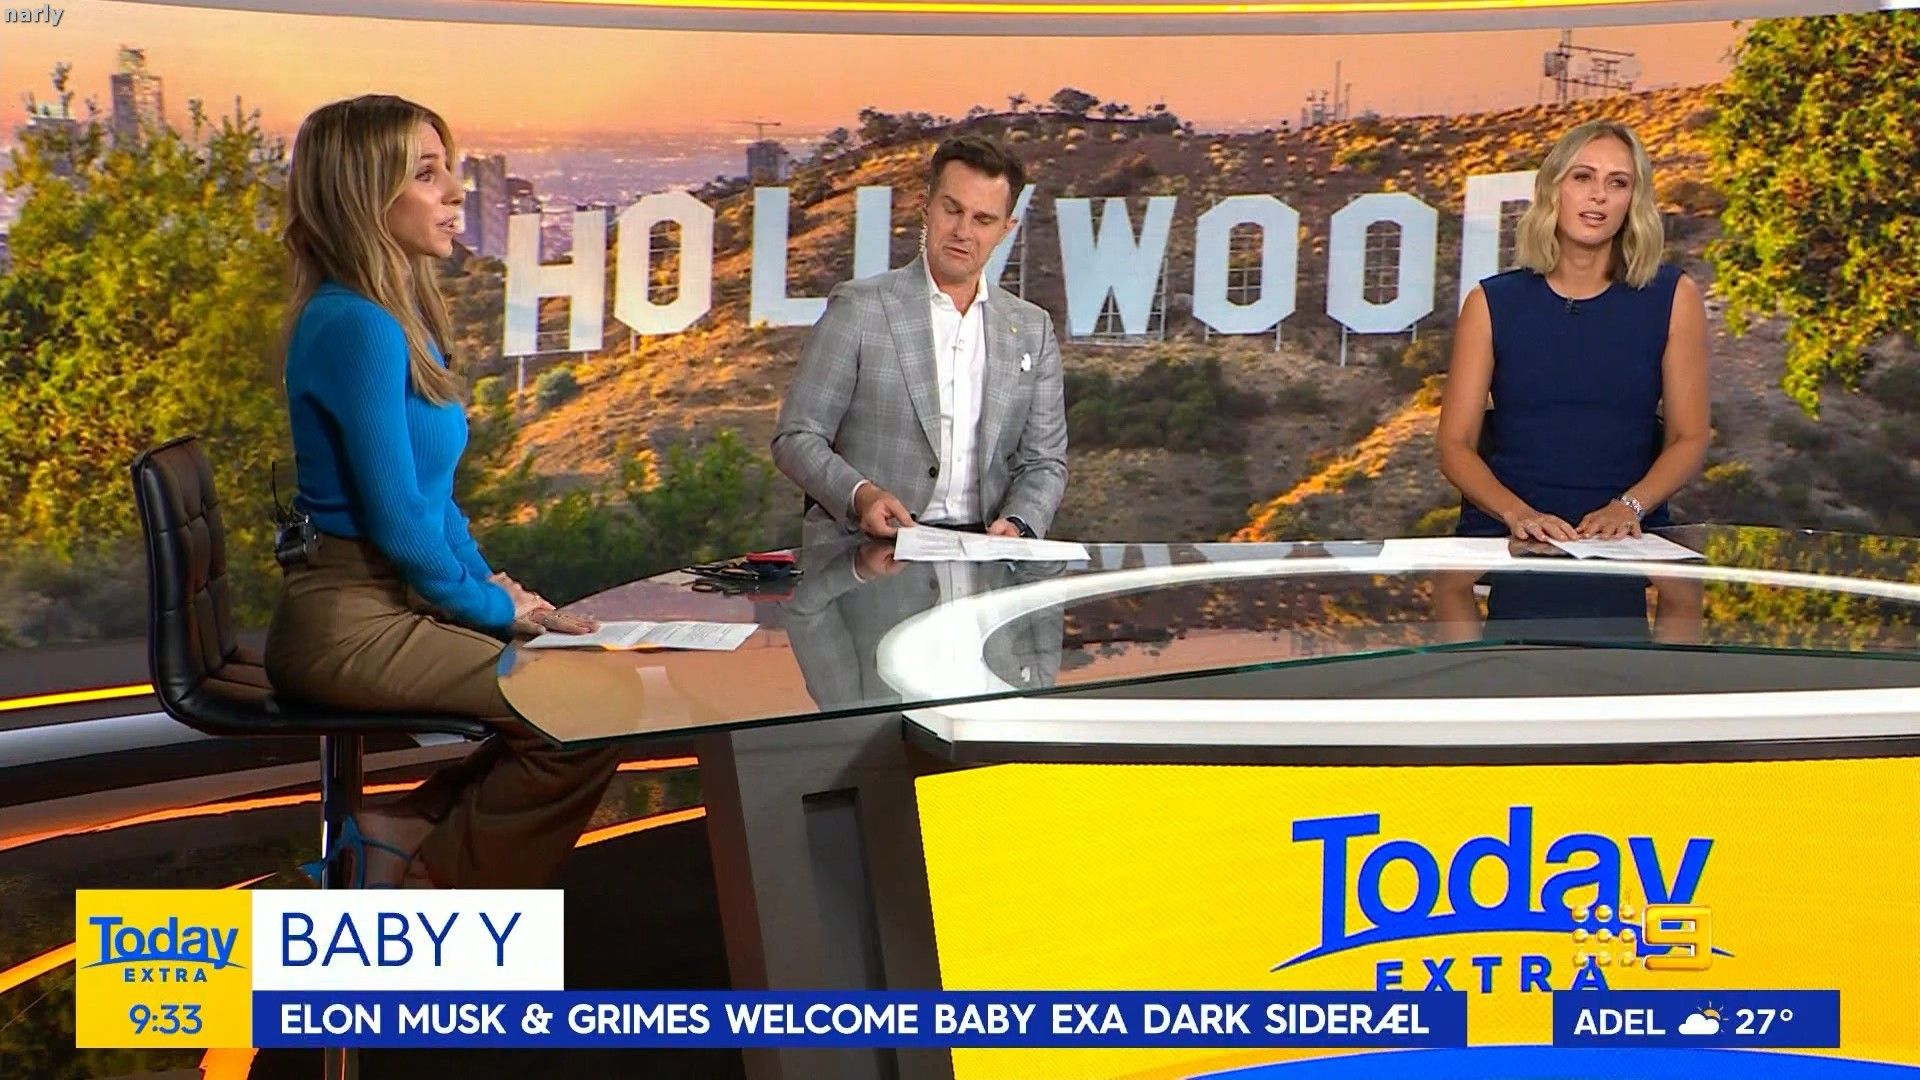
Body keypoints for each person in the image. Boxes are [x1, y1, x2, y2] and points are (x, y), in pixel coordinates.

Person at [264, 95, 620, 889]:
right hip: (348, 624)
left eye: (450, 168)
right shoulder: (357, 326)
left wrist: (495, 588)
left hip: (387, 604)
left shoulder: (393, 317)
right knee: (584, 713)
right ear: (365, 194)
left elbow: (434, 501)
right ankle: (430, 899)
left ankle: (399, 834)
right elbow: (399, 524)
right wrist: (487, 608)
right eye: (428, 174)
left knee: (588, 694)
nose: (456, 192)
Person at [1435, 119, 1710, 628]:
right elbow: (1454, 445)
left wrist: (1629, 507)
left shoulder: (1673, 297)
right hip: (1508, 527)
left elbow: (1689, 438)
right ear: (1553, 188)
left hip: (1627, 529)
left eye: (1617, 182)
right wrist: (1518, 515)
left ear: (1633, 201)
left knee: (1680, 599)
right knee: (1458, 603)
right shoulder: (1491, 303)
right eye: (1583, 177)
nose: (1598, 195)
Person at [772, 135, 1068, 548]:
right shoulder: (859, 308)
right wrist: (861, 496)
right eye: (953, 210)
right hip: (868, 551)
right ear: (925, 205)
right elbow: (796, 437)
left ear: (1006, 229)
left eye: (983, 220)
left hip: (985, 554)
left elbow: (1045, 461)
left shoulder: (1032, 328)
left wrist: (1018, 524)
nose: (963, 232)